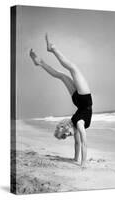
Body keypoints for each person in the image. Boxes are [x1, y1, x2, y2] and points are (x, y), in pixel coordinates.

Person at [30, 34, 93, 168]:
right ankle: (40, 62)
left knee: (72, 69)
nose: (70, 135)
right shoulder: (76, 125)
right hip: (78, 100)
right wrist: (76, 159)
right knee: (62, 75)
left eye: (67, 134)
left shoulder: (79, 124)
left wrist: (83, 163)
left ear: (68, 127)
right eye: (68, 135)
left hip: (83, 98)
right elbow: (78, 144)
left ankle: (52, 49)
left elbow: (83, 144)